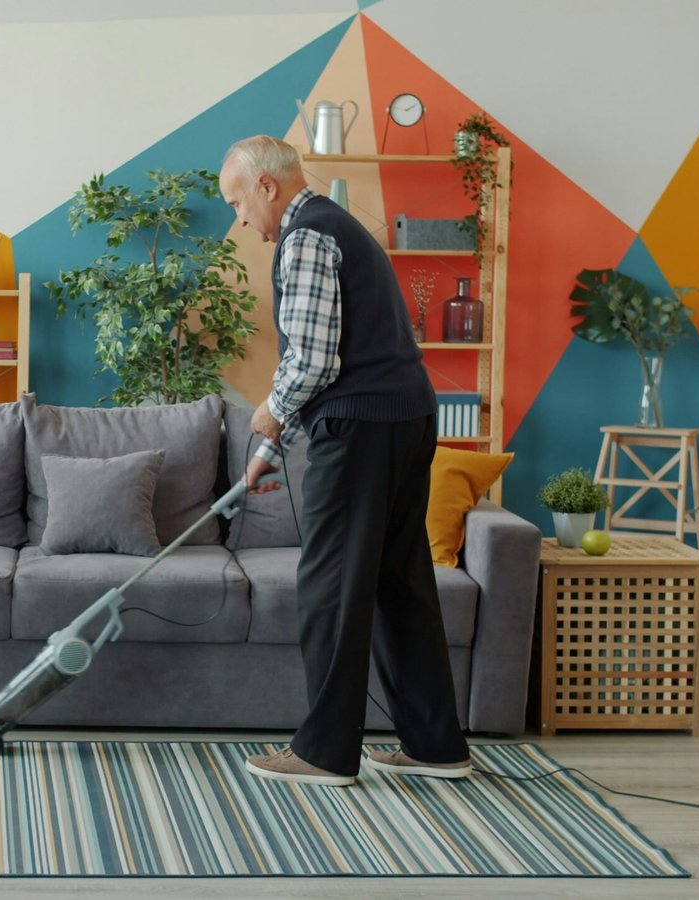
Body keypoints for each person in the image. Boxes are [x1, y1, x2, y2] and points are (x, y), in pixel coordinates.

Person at [219, 135, 471, 787]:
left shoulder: (306, 236)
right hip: (405, 417)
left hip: (360, 426)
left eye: (238, 201)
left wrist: (269, 413)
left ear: (268, 187)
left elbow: (313, 359)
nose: (240, 220)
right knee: (398, 580)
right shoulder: (340, 227)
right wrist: (269, 452)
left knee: (331, 582)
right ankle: (436, 745)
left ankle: (325, 751)